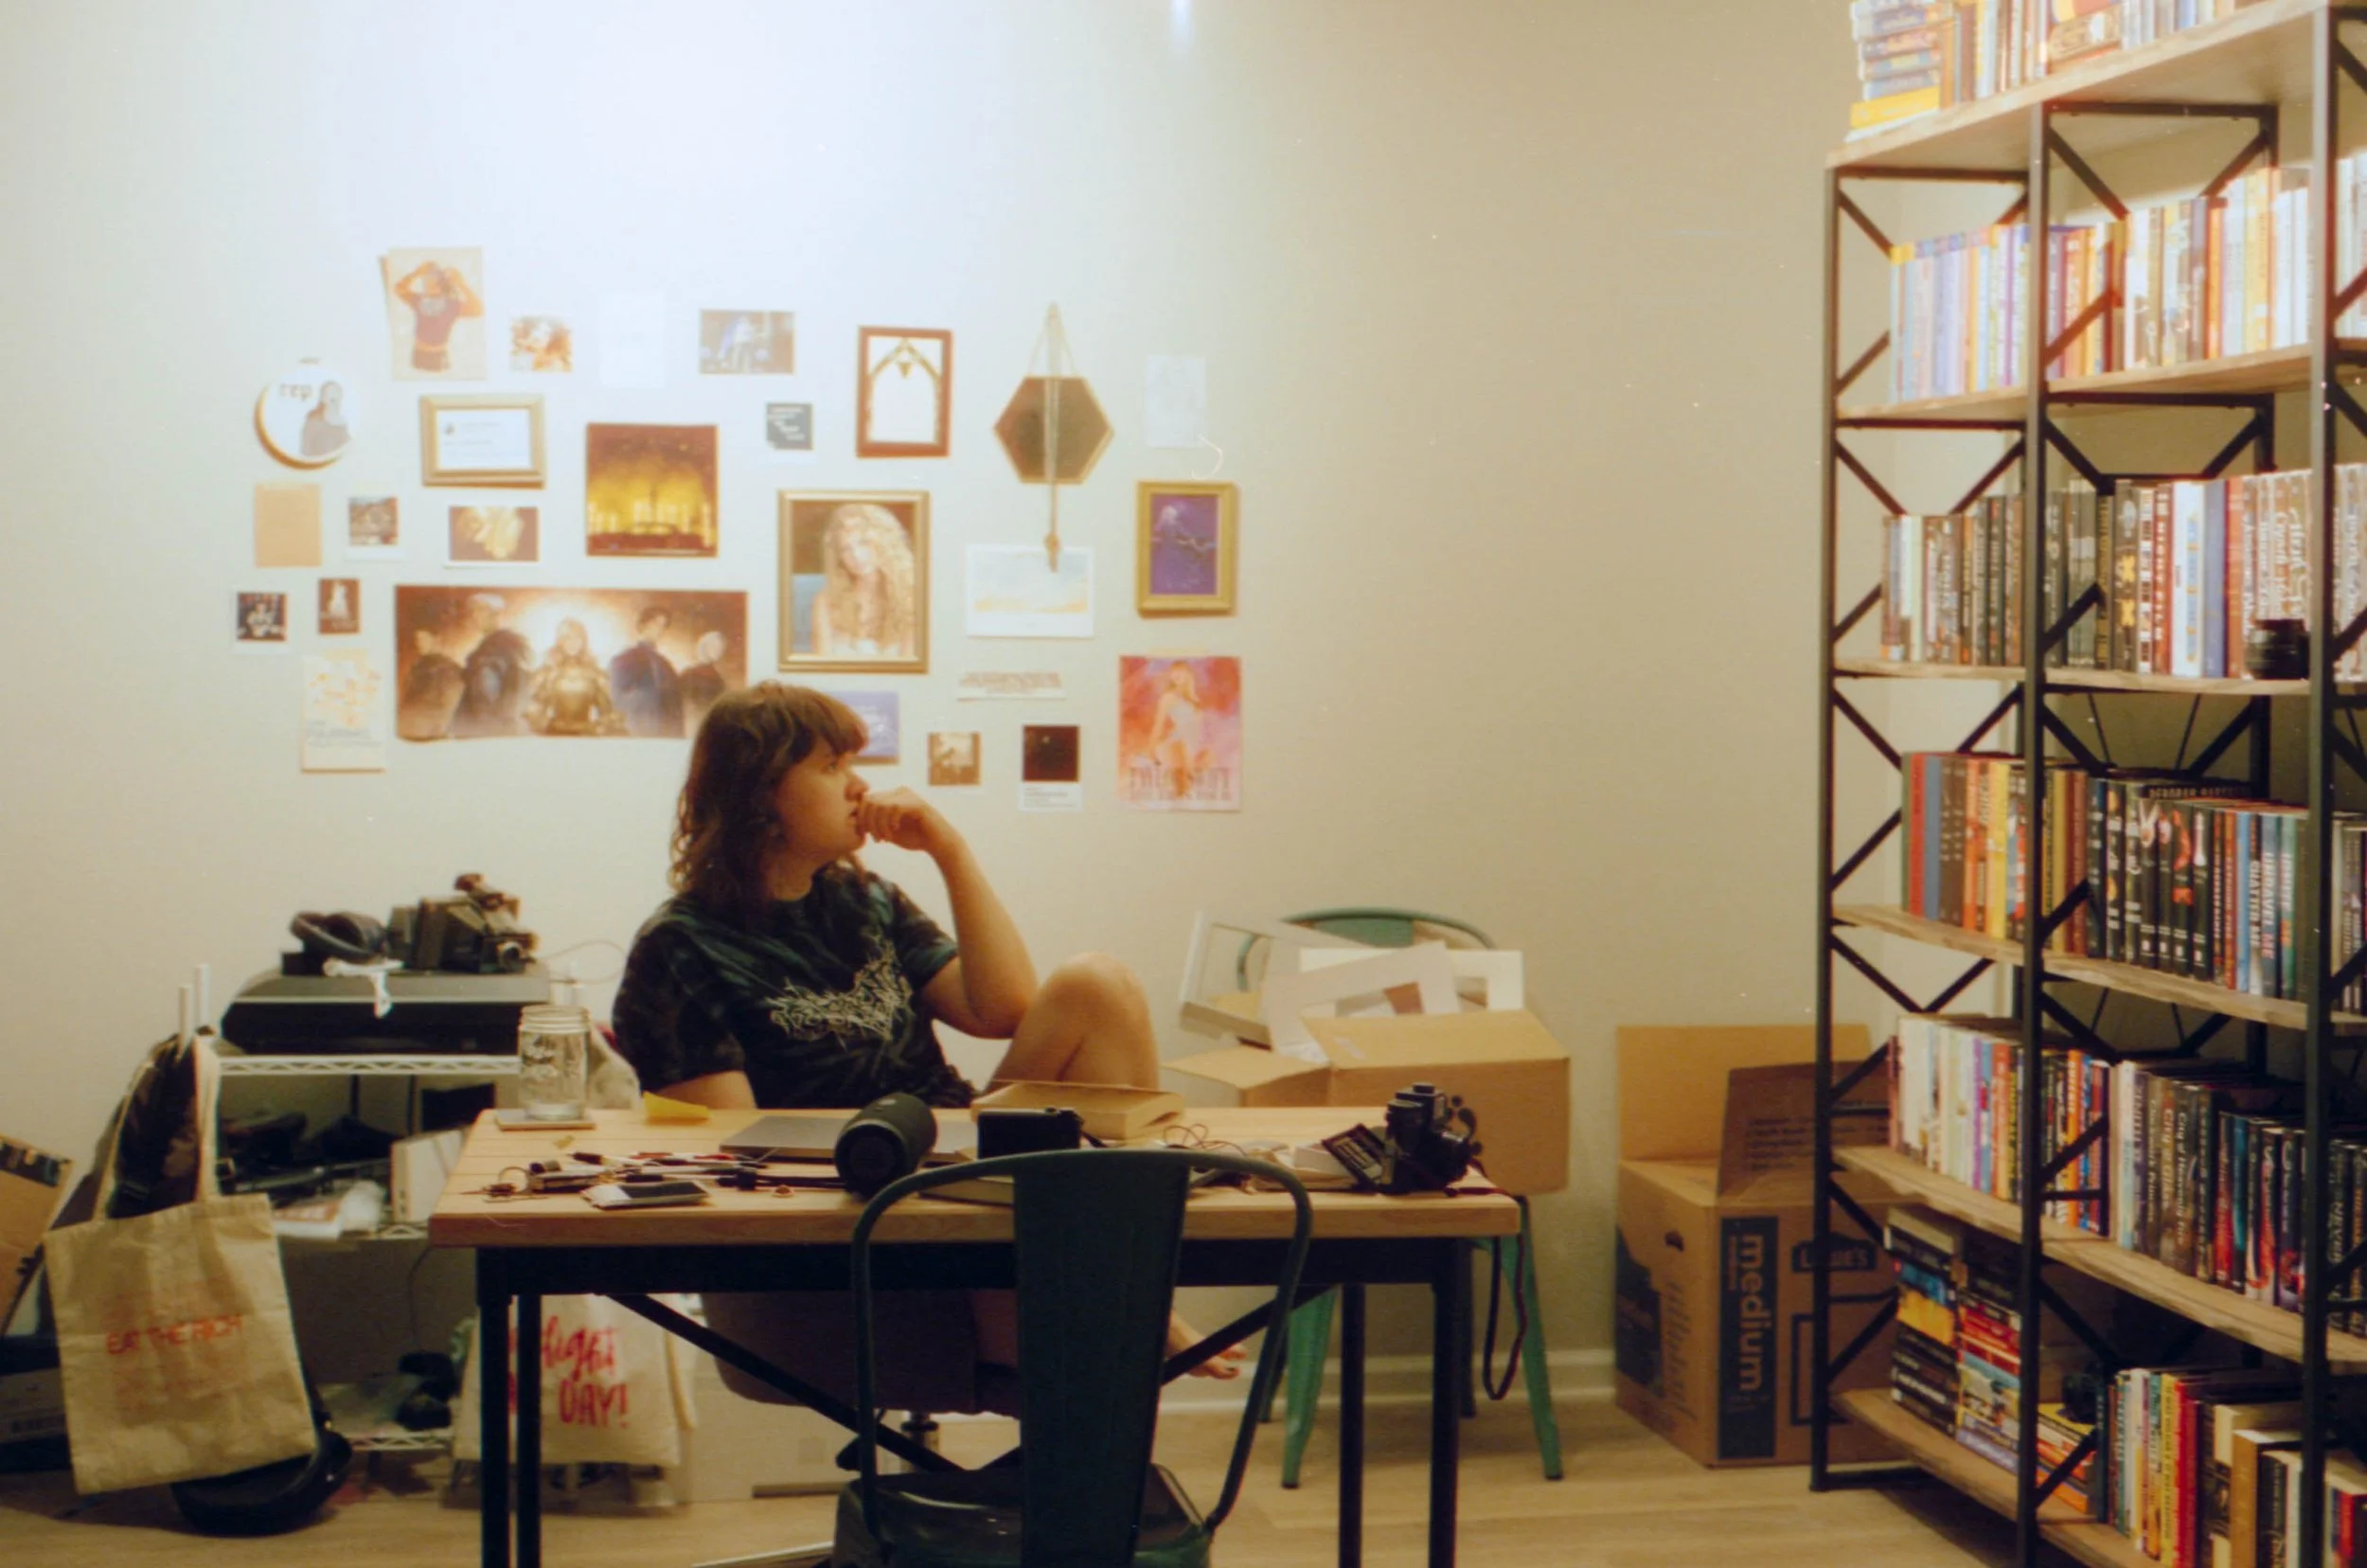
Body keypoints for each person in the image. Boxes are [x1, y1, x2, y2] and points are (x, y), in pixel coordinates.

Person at [610, 683, 1238, 1390]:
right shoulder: (681, 945)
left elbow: (1002, 1010)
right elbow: (737, 1146)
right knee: (1088, 1318)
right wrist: (933, 1167)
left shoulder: (864, 900)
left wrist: (950, 851)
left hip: (959, 1157)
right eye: (830, 766)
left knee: (1099, 984)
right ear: (761, 796)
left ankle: (1122, 1286)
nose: (859, 785)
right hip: (854, 1195)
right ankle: (1121, 1307)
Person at [810, 504, 916, 660]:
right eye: (846, 549)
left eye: (864, 543)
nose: (857, 556)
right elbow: (820, 669)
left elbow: (912, 669)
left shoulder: (911, 599)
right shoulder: (826, 602)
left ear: (885, 544)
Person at [450, 593, 533, 737]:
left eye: (480, 610)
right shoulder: (489, 648)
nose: (475, 615)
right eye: (474, 611)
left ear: (495, 614)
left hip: (487, 727)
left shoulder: (498, 650)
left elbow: (488, 697)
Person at [527, 618, 621, 737]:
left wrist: (597, 727)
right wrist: (549, 725)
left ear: (584, 642)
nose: (573, 643)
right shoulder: (548, 673)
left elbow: (608, 712)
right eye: (568, 638)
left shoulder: (595, 675)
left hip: (587, 738)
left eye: (578, 638)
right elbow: (535, 709)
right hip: (554, 738)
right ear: (560, 642)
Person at [390, 258, 483, 374]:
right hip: (419, 356)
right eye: (427, 277)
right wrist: (416, 273)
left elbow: (478, 310)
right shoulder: (419, 300)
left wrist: (461, 284)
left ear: (442, 282)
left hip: (438, 358)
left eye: (434, 278)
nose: (429, 280)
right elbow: (399, 289)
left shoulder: (452, 304)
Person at [609, 607, 685, 737]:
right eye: (655, 624)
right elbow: (615, 702)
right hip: (634, 732)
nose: (659, 630)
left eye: (663, 626)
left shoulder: (666, 666)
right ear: (643, 624)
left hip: (661, 734)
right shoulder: (623, 660)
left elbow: (675, 709)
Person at [1148, 662, 1208, 800]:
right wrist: (1151, 749)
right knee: (1182, 788)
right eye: (1173, 672)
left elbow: (1198, 726)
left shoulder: (1193, 699)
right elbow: (1158, 724)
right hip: (1178, 742)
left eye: (1179, 671)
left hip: (1194, 743)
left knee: (1193, 781)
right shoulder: (1168, 698)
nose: (1175, 675)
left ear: (1188, 674)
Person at [398, 626, 466, 739]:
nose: (420, 644)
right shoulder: (417, 667)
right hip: (411, 728)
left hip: (432, 730)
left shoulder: (447, 668)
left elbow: (453, 701)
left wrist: (440, 728)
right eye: (418, 640)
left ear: (435, 640)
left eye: (425, 639)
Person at [678, 630, 729, 729]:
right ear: (705, 647)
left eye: (720, 648)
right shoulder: (689, 674)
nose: (718, 651)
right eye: (714, 647)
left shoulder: (719, 680)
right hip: (692, 722)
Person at [299, 381, 349, 458]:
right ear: (323, 399)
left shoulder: (343, 424)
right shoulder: (313, 423)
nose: (335, 402)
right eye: (331, 399)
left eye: (337, 395)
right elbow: (306, 452)